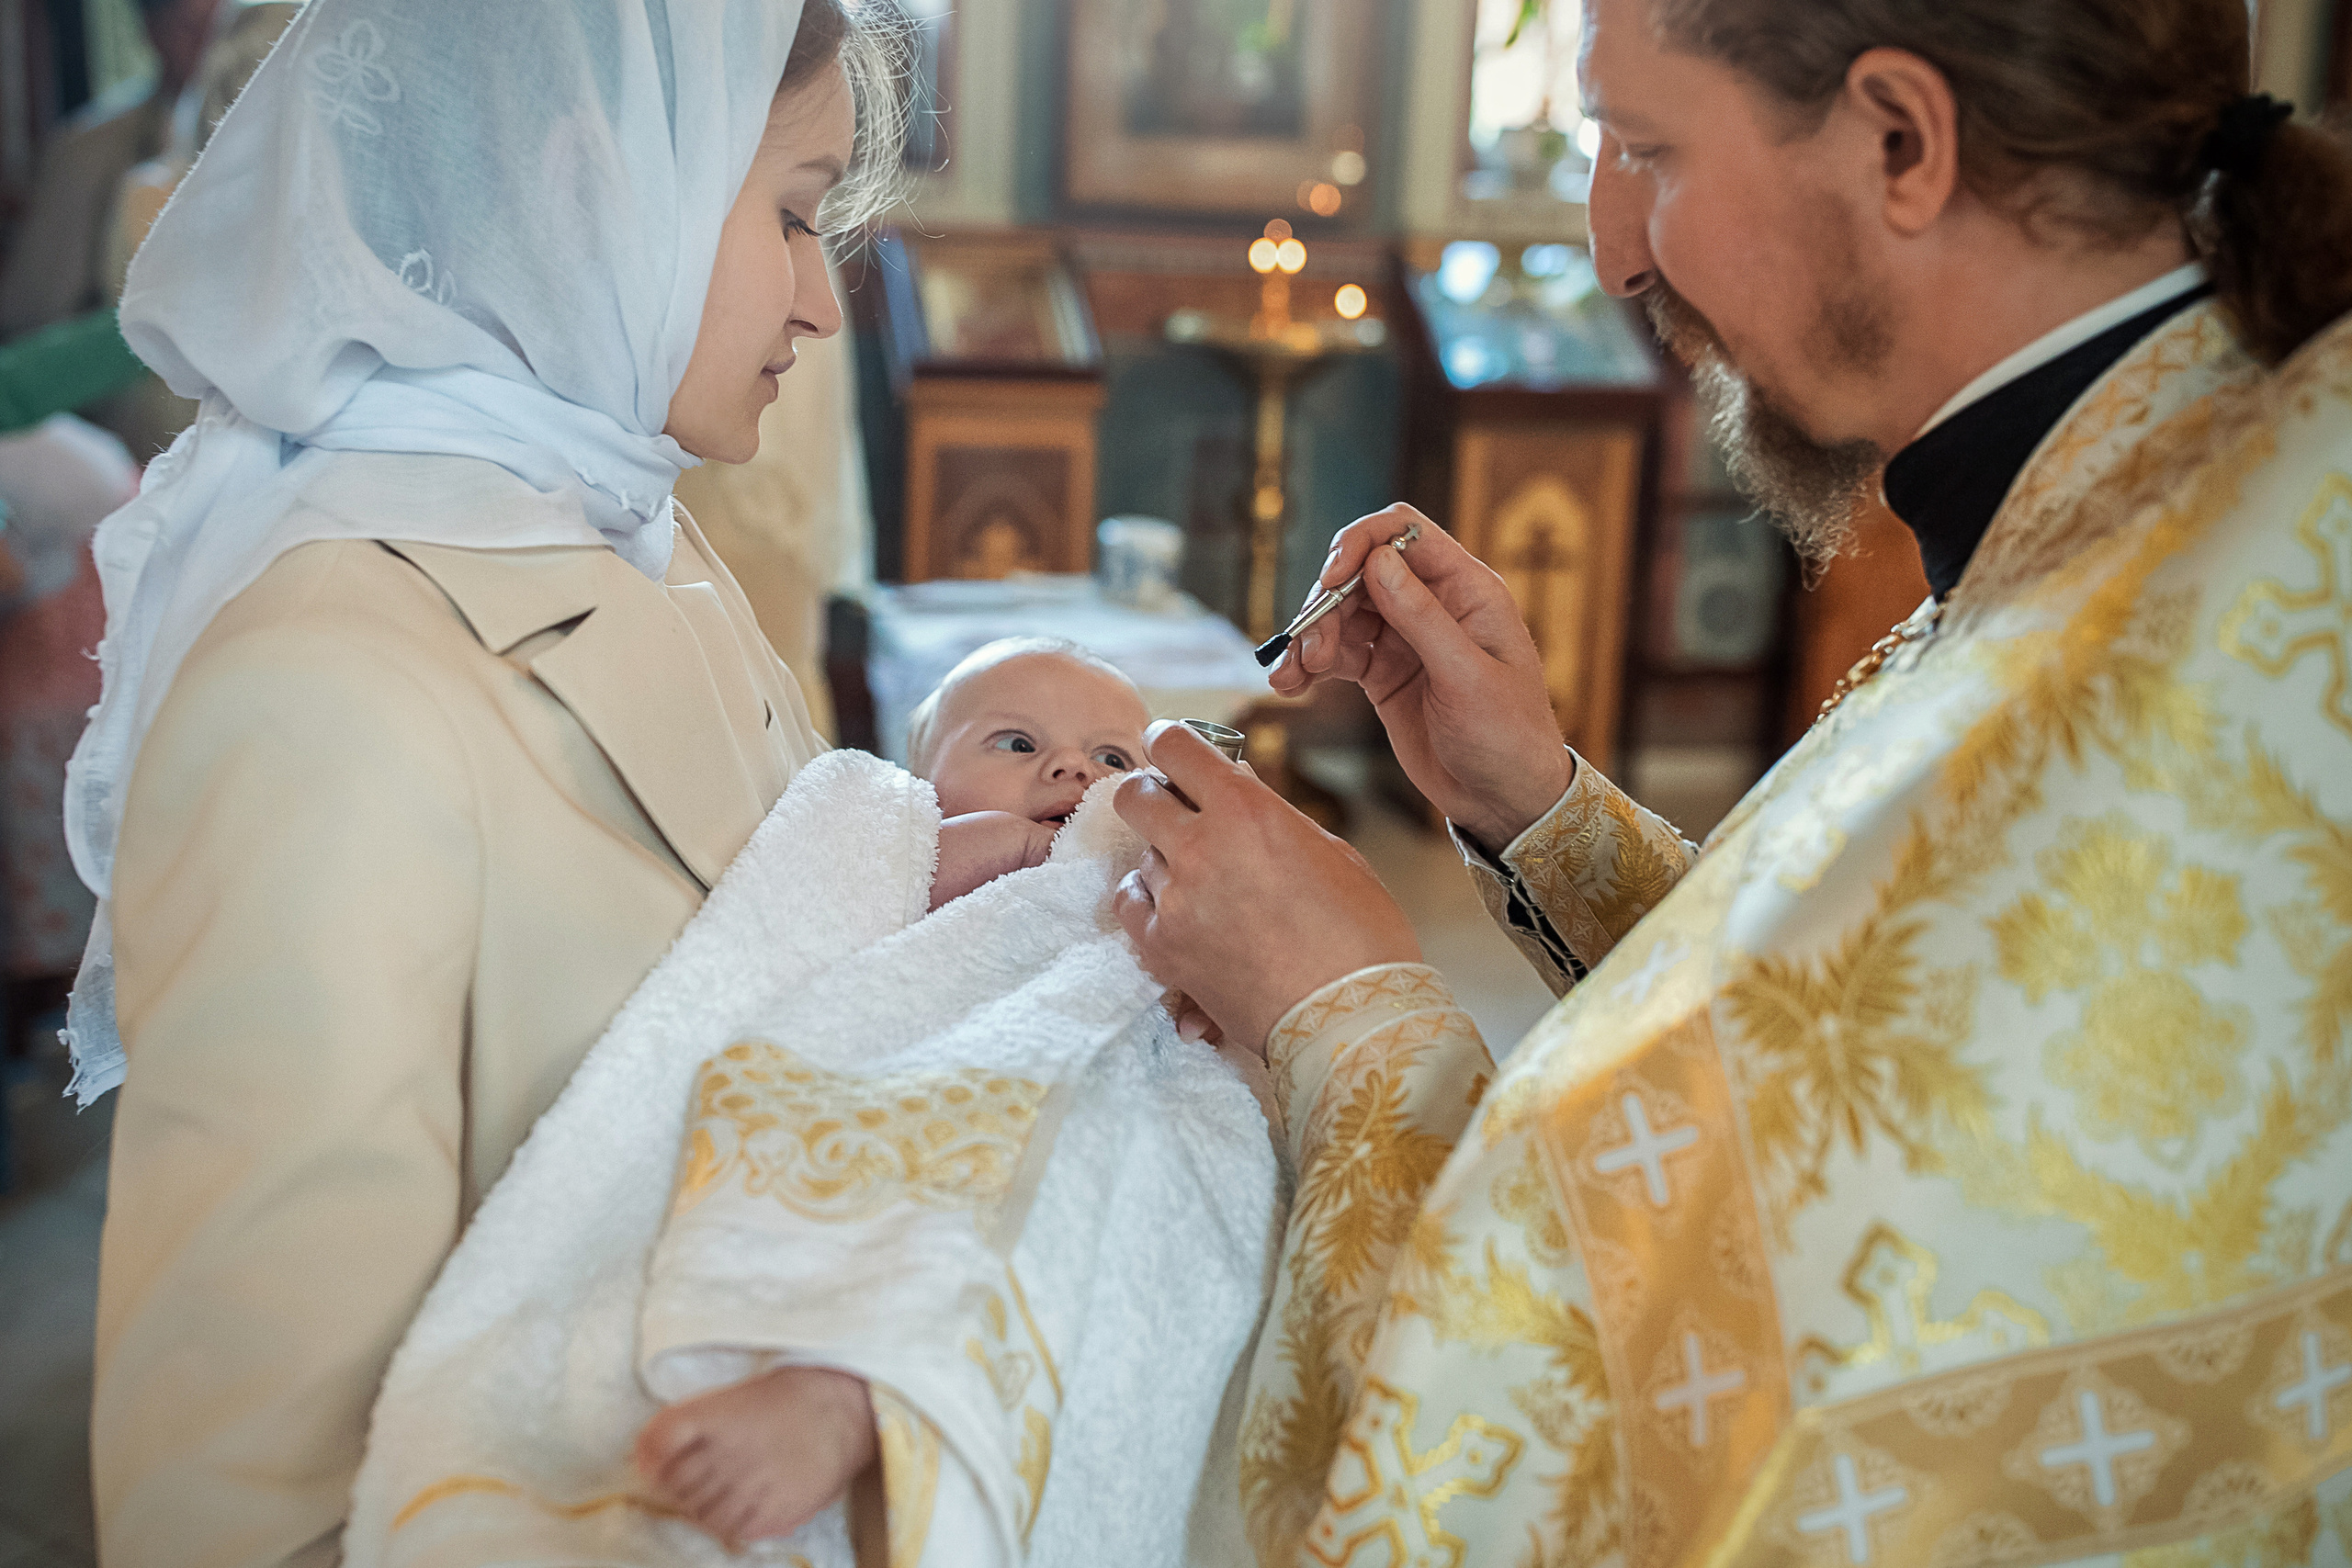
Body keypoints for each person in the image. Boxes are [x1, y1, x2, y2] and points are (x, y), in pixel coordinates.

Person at [1113, 0, 2352, 1562]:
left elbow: (1564, 1432)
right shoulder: (2224, 479)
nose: (1615, 245)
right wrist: (1541, 811)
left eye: (1646, 148)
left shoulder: (2166, 678)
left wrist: (1340, 1001)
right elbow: (1861, 1066)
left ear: (1901, 141)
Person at [77, 0, 906, 1562]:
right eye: (793, 216)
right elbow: (239, 1492)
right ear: (599, 178)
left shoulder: (646, 543)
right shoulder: (328, 696)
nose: (821, 305)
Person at [345, 638, 1275, 1564]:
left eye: (1113, 759)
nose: (1071, 769)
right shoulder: (910, 839)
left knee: (1114, 1193)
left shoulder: (1137, 878)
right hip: (931, 1071)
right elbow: (867, 897)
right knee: (942, 1196)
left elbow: (1229, 984)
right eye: (1015, 743)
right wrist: (1008, 849)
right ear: (925, 779)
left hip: (1101, 1080)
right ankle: (836, 1395)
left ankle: (869, 1400)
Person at [0, 0, 220, 337]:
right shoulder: (86, 152)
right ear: (153, 32)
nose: (214, 45)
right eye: (192, 28)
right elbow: (35, 313)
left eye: (227, 27)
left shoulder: (278, 136)